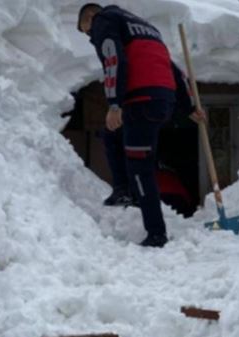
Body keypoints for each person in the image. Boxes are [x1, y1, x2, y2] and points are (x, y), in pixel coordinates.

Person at [78, 3, 205, 248]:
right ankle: (123, 189)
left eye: (85, 30)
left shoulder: (104, 20)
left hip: (140, 100)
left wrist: (115, 104)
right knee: (112, 134)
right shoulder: (148, 29)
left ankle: (156, 233)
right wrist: (188, 107)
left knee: (140, 167)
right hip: (160, 100)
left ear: (90, 17)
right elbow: (175, 70)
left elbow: (113, 58)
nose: (88, 36)